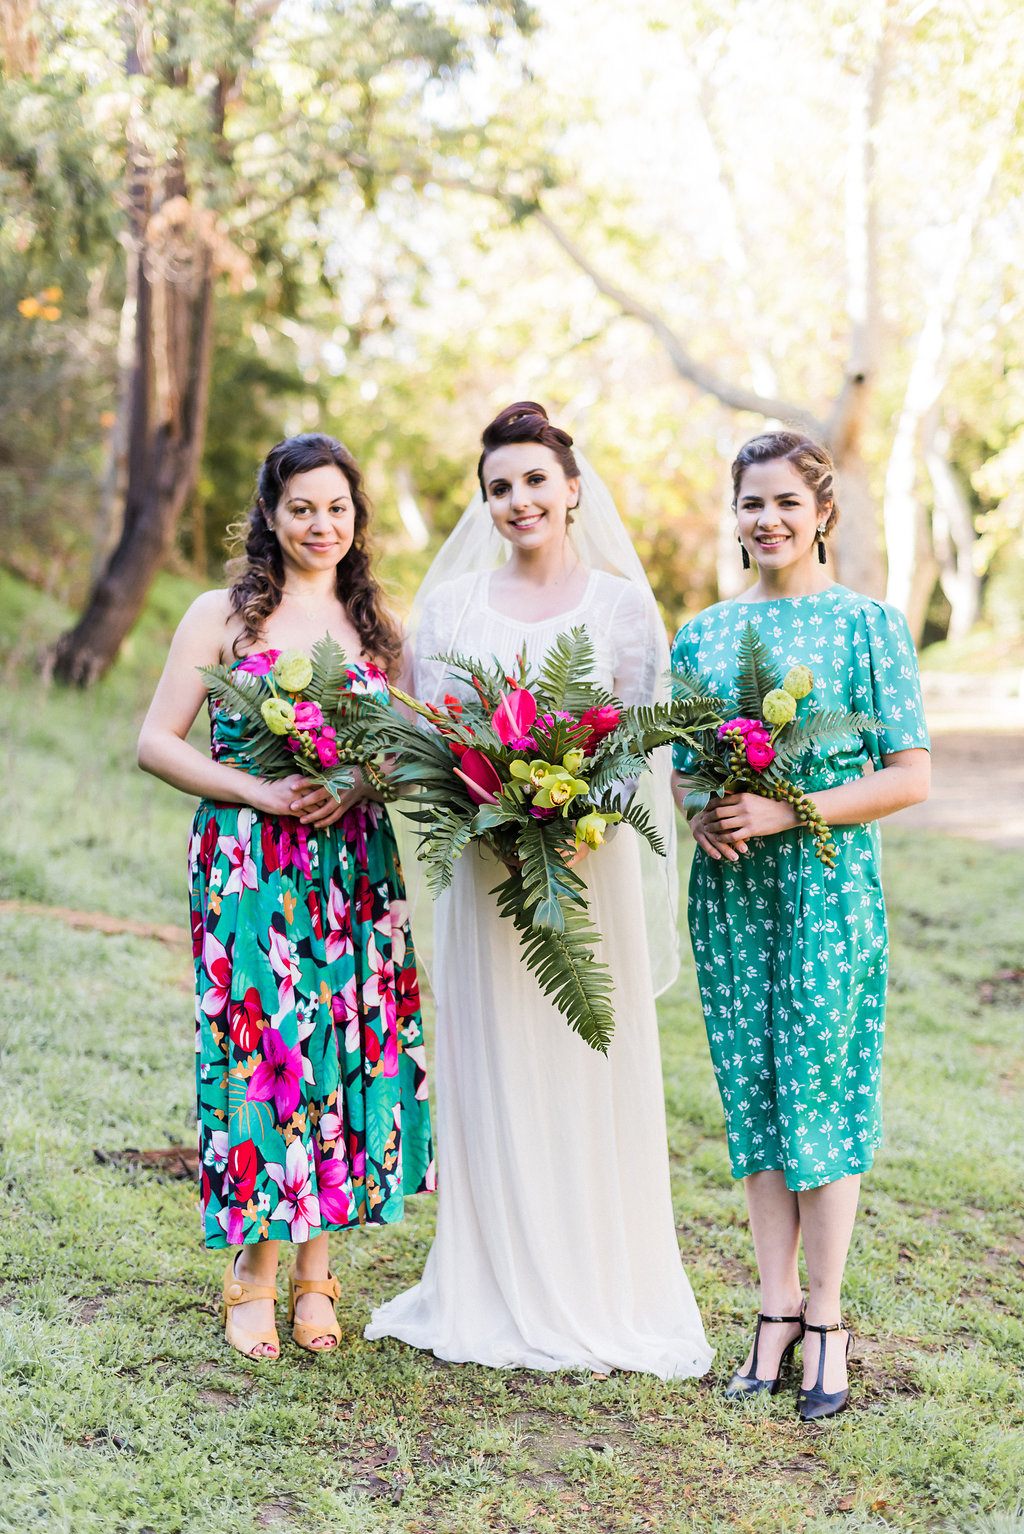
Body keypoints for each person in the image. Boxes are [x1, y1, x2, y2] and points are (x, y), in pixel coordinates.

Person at [364, 402, 712, 1379]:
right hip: (485, 882)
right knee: (495, 1067)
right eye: (498, 486)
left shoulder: (619, 608)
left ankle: (599, 1282)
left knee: (580, 1069)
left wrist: (569, 811)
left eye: (532, 480)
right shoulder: (452, 609)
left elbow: (641, 751)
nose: (517, 499)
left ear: (571, 488)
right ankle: (490, 1280)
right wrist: (493, 805)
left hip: (583, 884)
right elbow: (428, 744)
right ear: (486, 503)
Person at [138, 433, 434, 1361]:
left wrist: (361, 783)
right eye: (302, 507)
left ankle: (318, 1273)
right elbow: (159, 742)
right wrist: (255, 789)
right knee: (268, 1056)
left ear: (357, 517)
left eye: (338, 507)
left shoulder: (380, 626)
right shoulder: (220, 614)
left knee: (342, 1058)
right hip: (250, 867)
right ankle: (252, 1276)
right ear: (270, 513)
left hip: (354, 867)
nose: (321, 524)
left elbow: (410, 747)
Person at [671, 430, 930, 1419]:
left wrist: (787, 809)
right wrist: (705, 805)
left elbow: (910, 775)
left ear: (821, 511)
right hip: (733, 897)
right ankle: (772, 1308)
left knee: (821, 1091)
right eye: (750, 503)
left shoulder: (867, 627)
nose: (766, 520)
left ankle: (826, 1316)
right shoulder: (698, 634)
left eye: (785, 501)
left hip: (825, 891)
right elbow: (686, 763)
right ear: (733, 515)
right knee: (756, 1092)